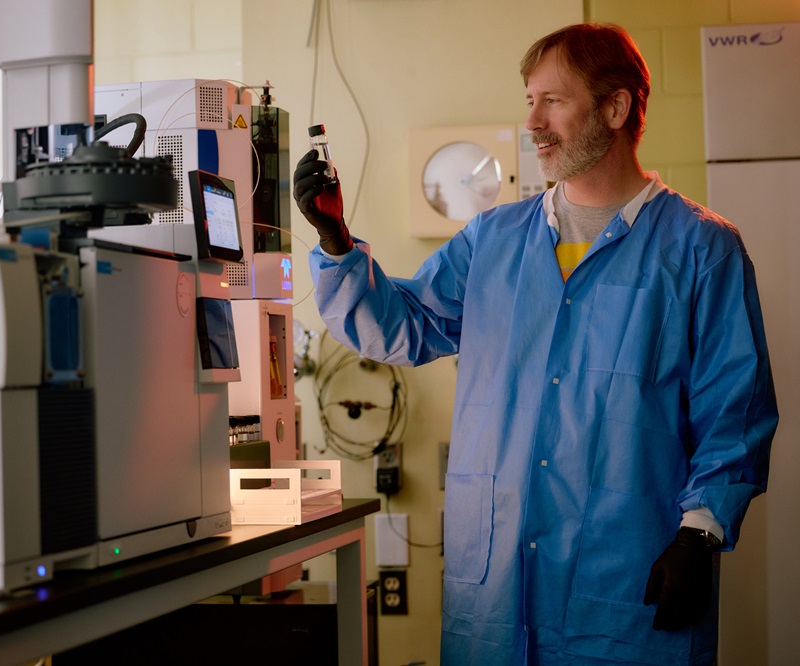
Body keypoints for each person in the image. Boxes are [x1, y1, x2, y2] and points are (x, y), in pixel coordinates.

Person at [293, 22, 777, 664]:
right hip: (495, 600)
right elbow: (404, 326)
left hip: (625, 588)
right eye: (530, 101)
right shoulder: (493, 240)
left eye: (553, 100)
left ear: (616, 106)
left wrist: (701, 531)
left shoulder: (701, 250)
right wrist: (335, 241)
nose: (533, 122)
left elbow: (733, 412)